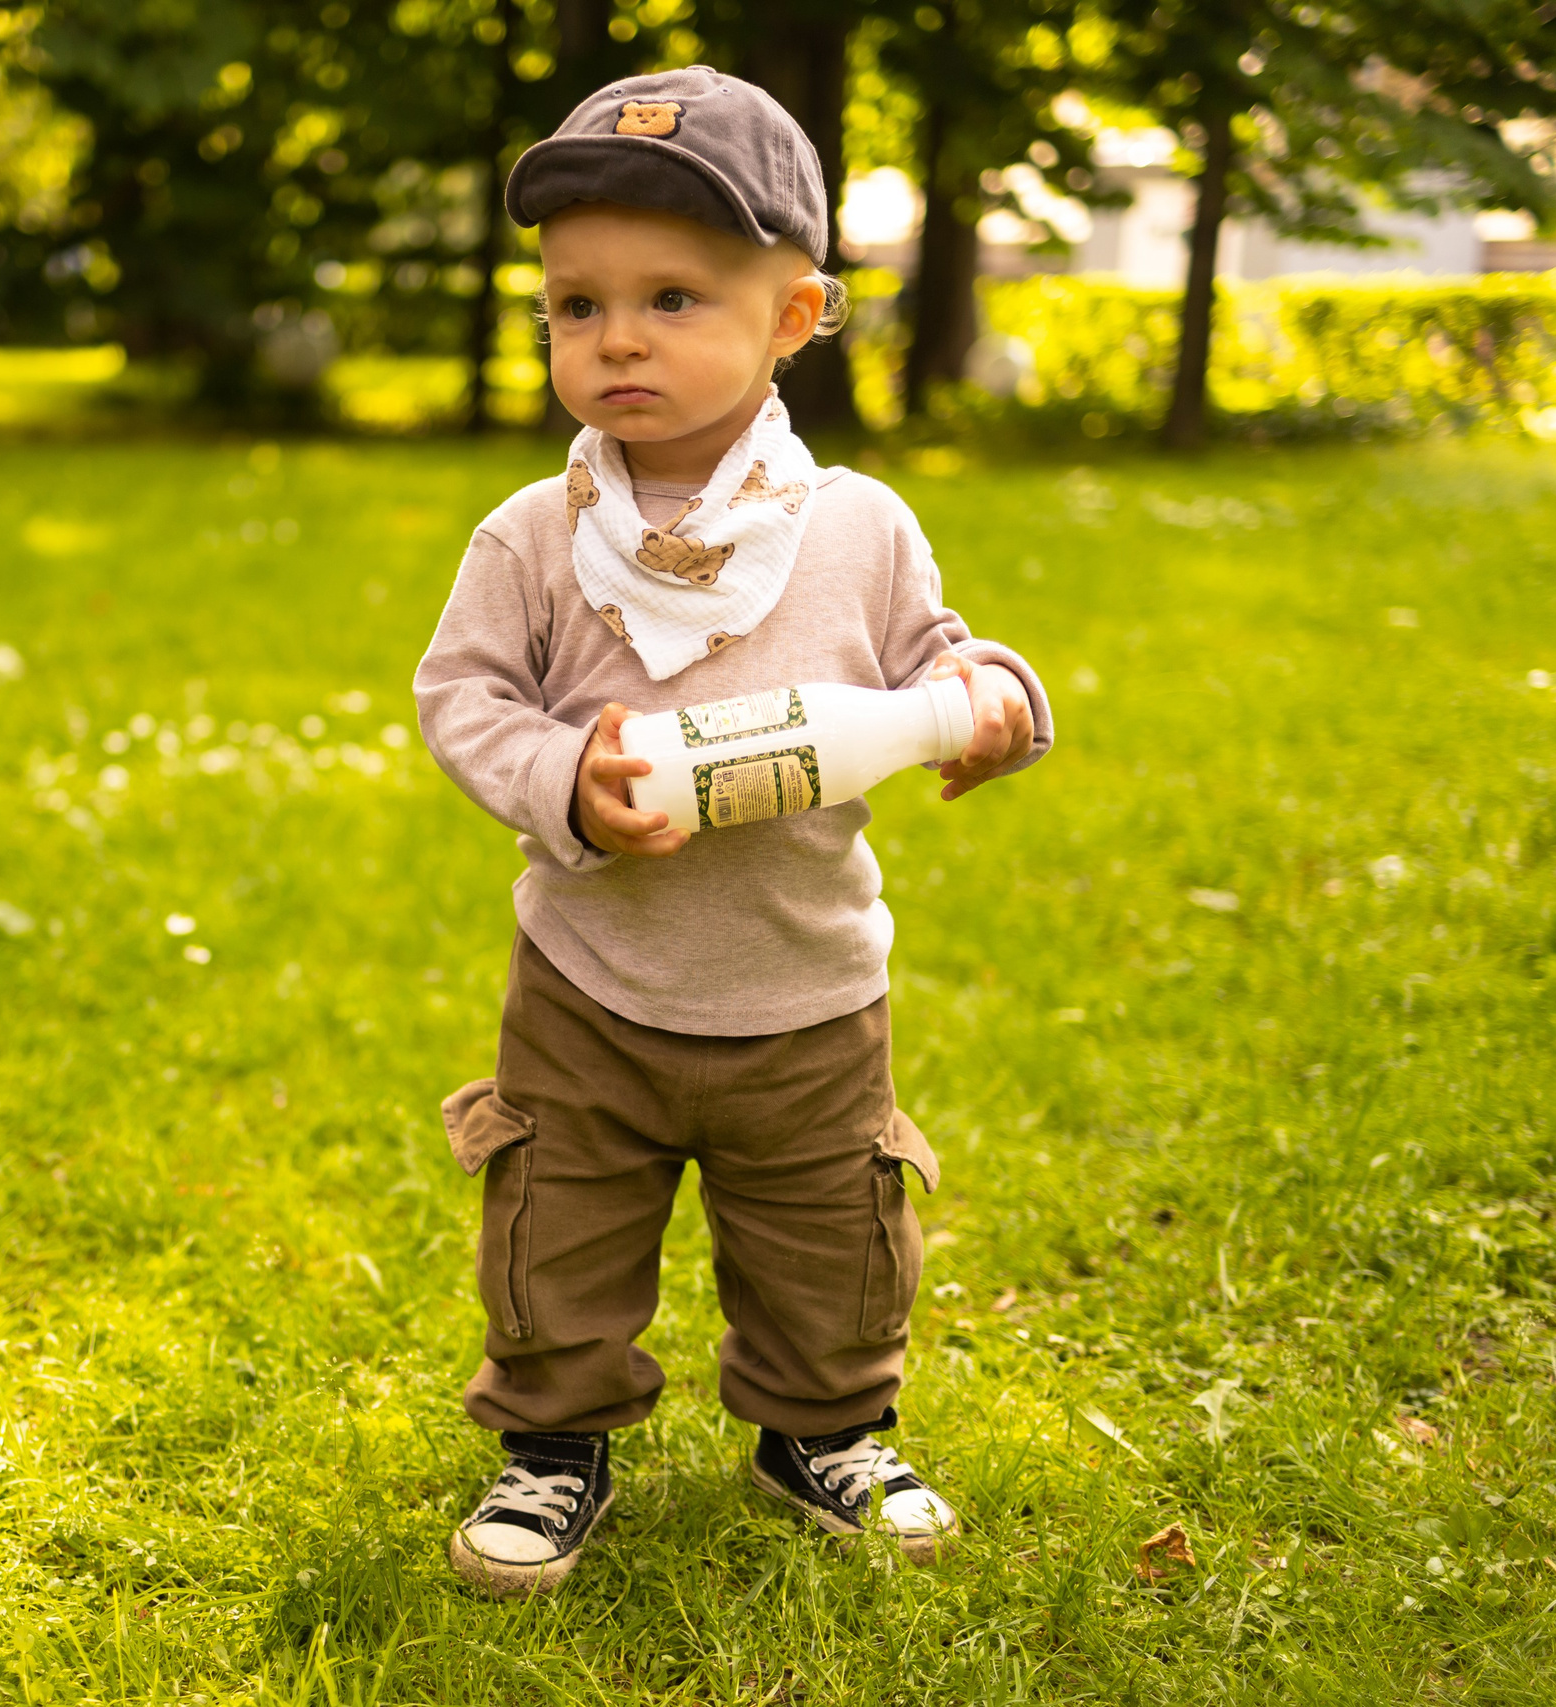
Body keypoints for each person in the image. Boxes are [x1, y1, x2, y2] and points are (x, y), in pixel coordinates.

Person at [415, 66, 1054, 1598]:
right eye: (576, 305)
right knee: (559, 1228)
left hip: (807, 986)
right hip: (593, 982)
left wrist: (995, 696)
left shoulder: (855, 527)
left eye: (675, 298)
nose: (616, 336)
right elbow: (464, 696)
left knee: (828, 1234)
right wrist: (566, 779)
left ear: (795, 315)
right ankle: (554, 1445)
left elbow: (939, 662)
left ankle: (819, 1428)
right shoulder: (537, 535)